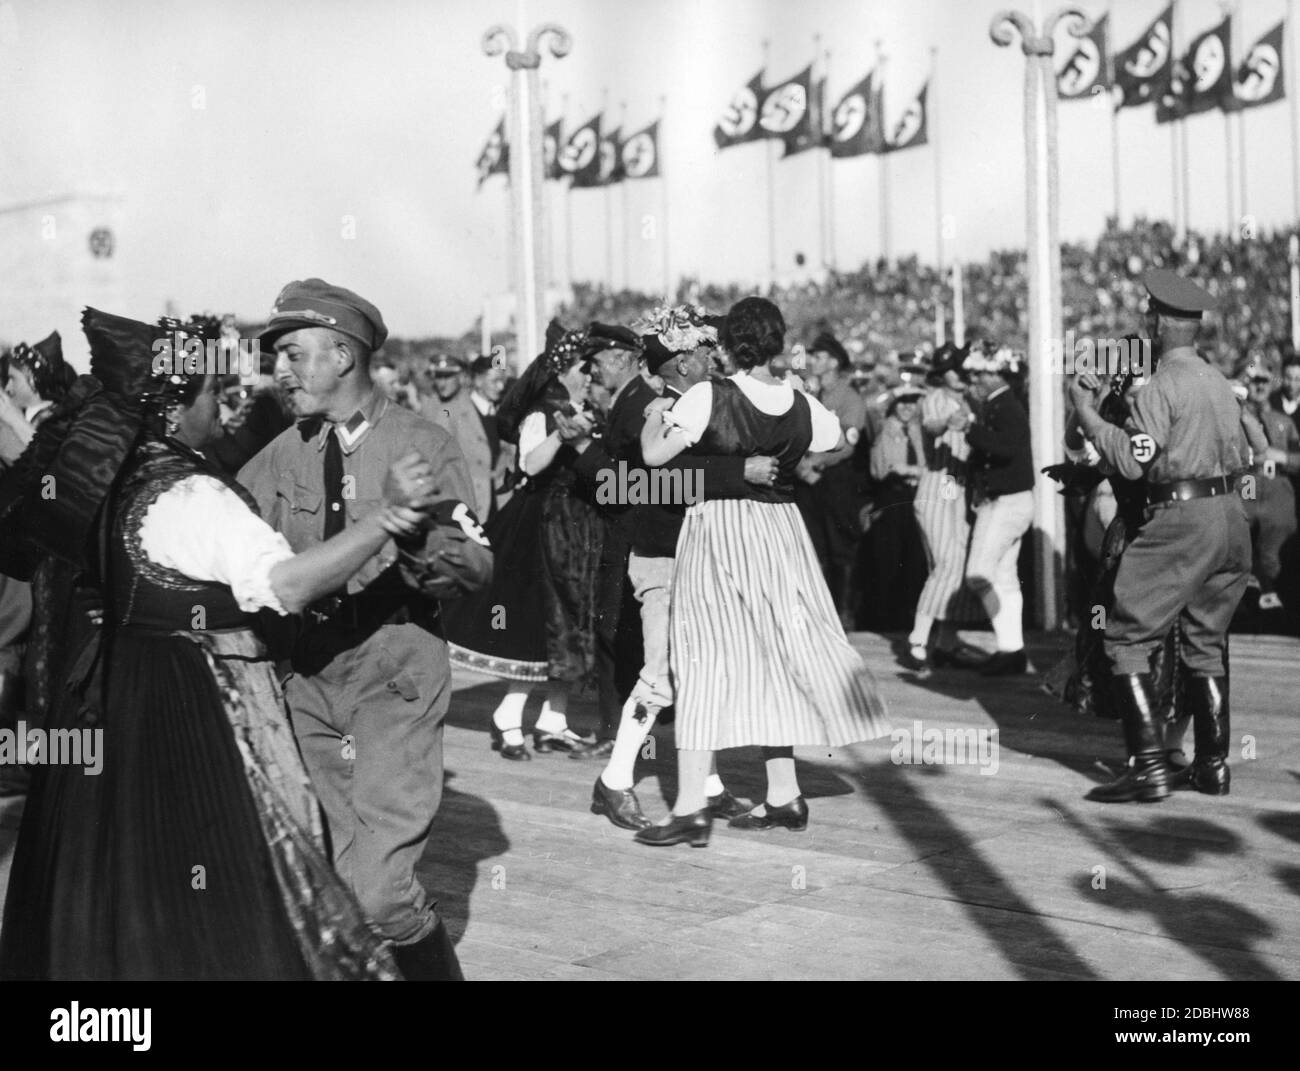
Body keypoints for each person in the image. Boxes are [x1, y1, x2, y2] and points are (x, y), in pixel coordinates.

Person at [0, 308, 429, 979]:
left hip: (120, 703)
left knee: (128, 890)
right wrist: (384, 520)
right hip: (197, 708)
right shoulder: (192, 493)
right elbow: (287, 585)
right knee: (240, 893)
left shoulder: (110, 484)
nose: (223, 406)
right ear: (173, 409)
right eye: (210, 393)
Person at [239, 279, 492, 979]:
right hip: (308, 679)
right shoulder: (280, 453)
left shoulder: (420, 442)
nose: (280, 371)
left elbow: (475, 566)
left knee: (380, 891)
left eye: (293, 353)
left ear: (344, 355)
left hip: (393, 671)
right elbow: (230, 538)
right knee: (331, 879)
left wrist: (416, 535)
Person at [634, 297, 890, 846]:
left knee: (702, 659)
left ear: (728, 345)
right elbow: (832, 439)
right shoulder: (802, 402)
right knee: (775, 654)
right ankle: (783, 794)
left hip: (721, 531)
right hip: (781, 531)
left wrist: (657, 417)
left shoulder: (708, 395)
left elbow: (654, 459)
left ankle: (689, 809)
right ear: (775, 344)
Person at [566, 305, 771, 826]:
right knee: (658, 676)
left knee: (700, 674)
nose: (712, 358)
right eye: (702, 352)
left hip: (690, 556)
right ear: (680, 364)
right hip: (661, 558)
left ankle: (708, 783)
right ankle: (613, 783)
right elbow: (659, 482)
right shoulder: (653, 410)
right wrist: (737, 472)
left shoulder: (691, 402)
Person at [1069, 269, 1251, 803]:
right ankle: (1213, 766)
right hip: (1230, 518)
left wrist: (1087, 413)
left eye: (1149, 316)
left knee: (1125, 636)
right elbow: (1243, 458)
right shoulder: (1218, 382)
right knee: (1207, 640)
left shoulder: (1162, 387)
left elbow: (1130, 460)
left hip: (1181, 518)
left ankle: (1149, 769)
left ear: (1158, 323)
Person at [441, 321, 613, 759]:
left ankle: (554, 718)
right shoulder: (544, 410)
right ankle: (509, 714)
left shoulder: (582, 404)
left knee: (571, 625)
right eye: (584, 367)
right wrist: (562, 433)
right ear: (563, 370)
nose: (591, 374)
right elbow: (532, 465)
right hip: (543, 524)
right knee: (538, 623)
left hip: (576, 523)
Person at [905, 343, 984, 671]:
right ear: (942, 372)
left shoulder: (972, 399)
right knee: (945, 564)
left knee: (960, 564)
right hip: (938, 485)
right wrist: (950, 422)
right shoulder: (935, 398)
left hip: (961, 487)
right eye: (955, 369)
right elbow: (931, 425)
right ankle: (919, 638)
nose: (962, 374)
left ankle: (947, 643)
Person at [962, 344, 1035, 676]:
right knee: (1005, 578)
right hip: (1012, 500)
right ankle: (1011, 649)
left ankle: (1009, 644)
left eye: (981, 372)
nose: (975, 378)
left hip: (1007, 501)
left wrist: (968, 428)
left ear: (998, 375)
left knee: (978, 574)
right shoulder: (999, 404)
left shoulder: (1006, 407)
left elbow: (1004, 448)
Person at [794, 332, 867, 628]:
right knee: (814, 548)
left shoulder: (849, 397)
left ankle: (843, 612)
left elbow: (849, 441)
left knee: (840, 549)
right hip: (808, 479)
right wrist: (802, 465)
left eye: (820, 356)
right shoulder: (811, 394)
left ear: (835, 362)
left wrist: (818, 461)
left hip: (836, 478)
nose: (814, 361)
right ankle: (821, 614)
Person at [863, 385, 929, 631]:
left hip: (916, 498)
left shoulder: (919, 430)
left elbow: (926, 466)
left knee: (914, 561)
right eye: (902, 402)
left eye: (912, 402)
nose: (907, 408)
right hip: (891, 498)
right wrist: (897, 390)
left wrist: (911, 471)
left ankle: (909, 619)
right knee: (888, 562)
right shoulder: (883, 428)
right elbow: (872, 408)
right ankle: (886, 621)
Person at [1238, 359, 1299, 615]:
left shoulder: (1282, 421)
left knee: (1279, 530)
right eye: (1254, 381)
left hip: (1276, 483)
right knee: (1241, 525)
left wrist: (1277, 455)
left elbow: (1297, 458)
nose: (1259, 387)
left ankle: (1271, 587)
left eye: (1264, 381)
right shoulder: (1233, 416)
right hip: (1249, 480)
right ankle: (1252, 588)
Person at [425, 352, 515, 523]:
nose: (500, 387)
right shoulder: (452, 411)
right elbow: (437, 461)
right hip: (468, 506)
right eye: (494, 381)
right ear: (478, 381)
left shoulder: (502, 411)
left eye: (502, 381)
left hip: (500, 503)